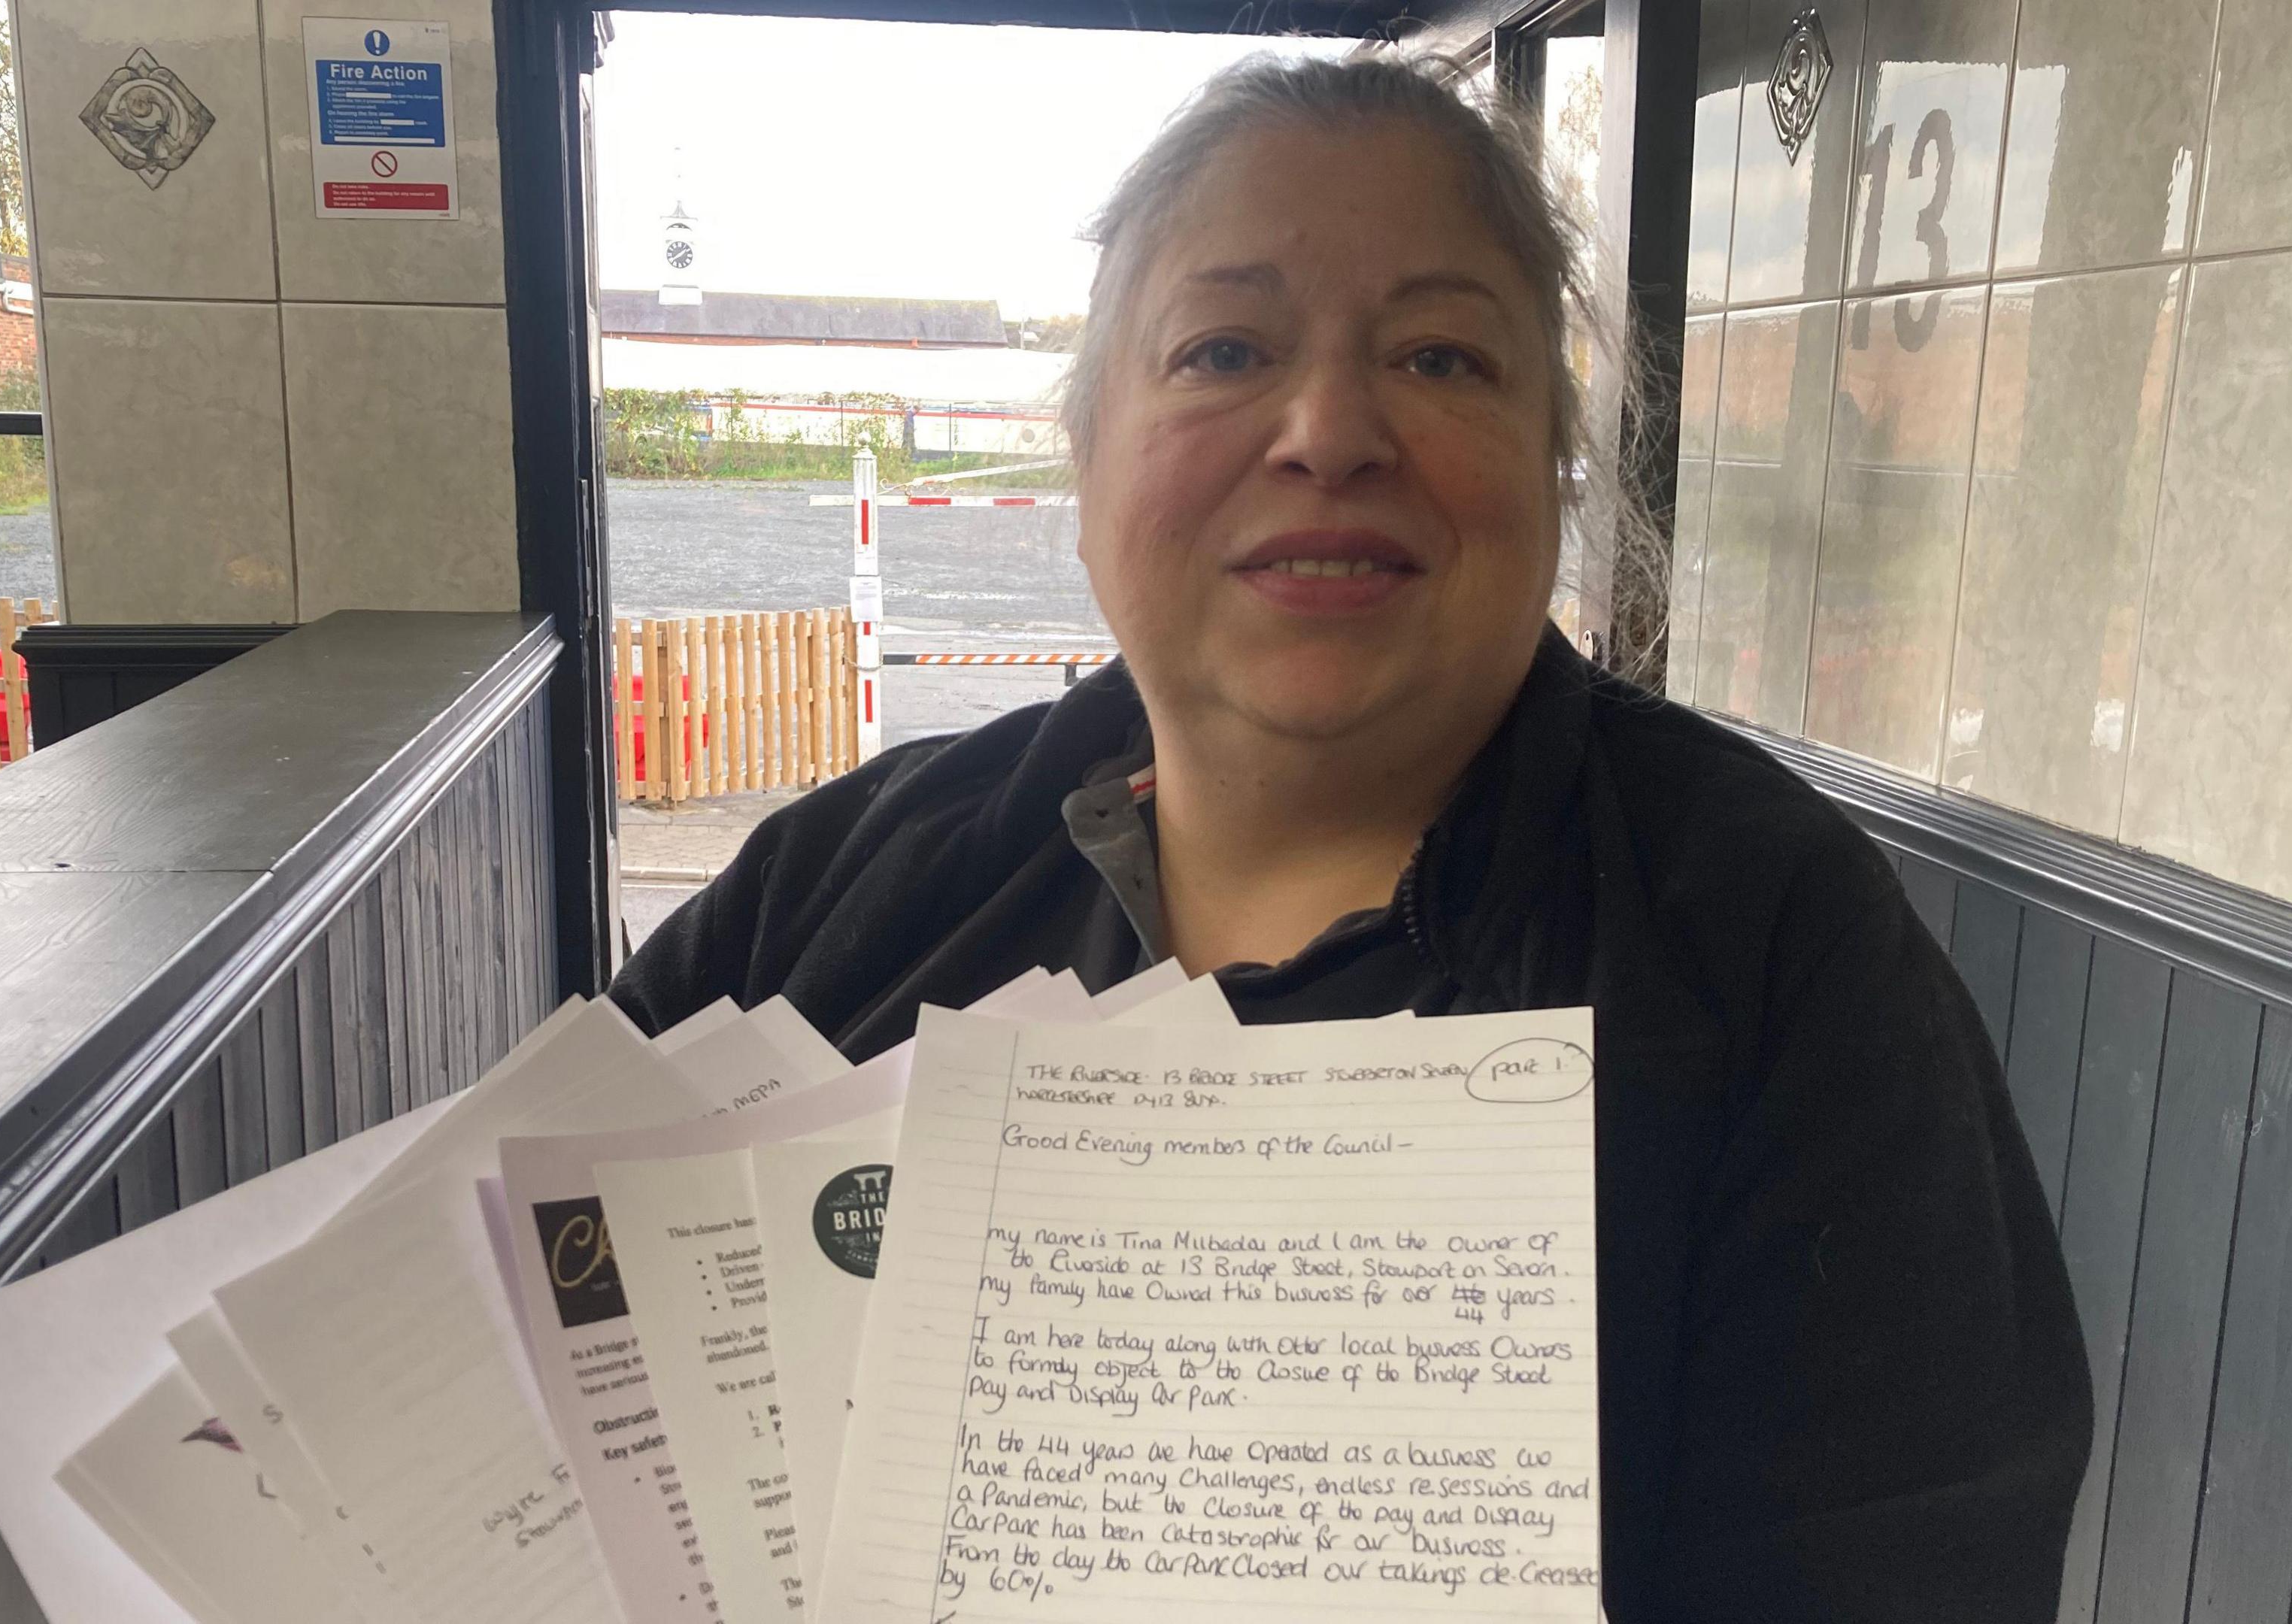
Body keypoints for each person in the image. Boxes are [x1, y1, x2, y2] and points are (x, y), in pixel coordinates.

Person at [615, 53, 2089, 1620]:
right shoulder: (835, 894)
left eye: (1443, 359)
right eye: (1225, 348)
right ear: (1090, 450)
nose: (1328, 430)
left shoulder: (1775, 956)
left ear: (1554, 461)